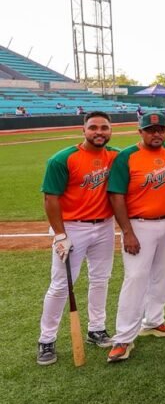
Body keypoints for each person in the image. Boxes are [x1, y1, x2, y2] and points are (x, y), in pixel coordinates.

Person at [37, 111, 120, 364]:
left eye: (104, 128)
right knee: (61, 285)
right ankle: (46, 340)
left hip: (104, 226)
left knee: (101, 279)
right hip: (72, 227)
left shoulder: (115, 156)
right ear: (83, 130)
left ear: (110, 131)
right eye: (93, 127)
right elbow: (50, 199)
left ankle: (96, 329)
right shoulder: (63, 159)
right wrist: (60, 234)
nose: (99, 132)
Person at [106, 111, 165, 362]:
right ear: (140, 132)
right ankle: (124, 337)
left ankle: (154, 321)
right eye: (150, 130)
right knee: (136, 278)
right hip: (139, 225)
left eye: (161, 129)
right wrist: (127, 231)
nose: (156, 134)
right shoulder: (126, 157)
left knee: (162, 273)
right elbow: (116, 195)